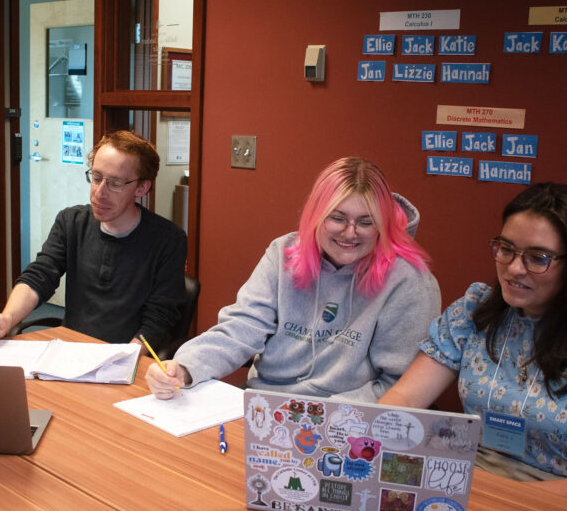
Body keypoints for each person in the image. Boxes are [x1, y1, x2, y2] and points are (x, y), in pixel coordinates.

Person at [146, 156, 440, 402]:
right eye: (337, 218)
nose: (350, 233)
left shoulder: (409, 281)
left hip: (346, 424)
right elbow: (242, 327)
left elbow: (399, 385)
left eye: (366, 222)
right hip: (264, 403)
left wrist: (316, 417)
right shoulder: (284, 252)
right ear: (315, 216)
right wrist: (185, 366)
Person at [380, 183, 567, 484]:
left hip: (551, 499)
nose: (515, 268)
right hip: (468, 477)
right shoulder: (473, 312)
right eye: (506, 249)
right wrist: (374, 442)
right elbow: (405, 396)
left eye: (538, 257)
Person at [0, 130, 187, 350]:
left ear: (142, 187)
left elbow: (159, 319)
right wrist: (7, 319)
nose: (99, 193)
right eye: (96, 178)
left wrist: (127, 357)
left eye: (115, 183)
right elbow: (40, 275)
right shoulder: (72, 222)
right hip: (73, 352)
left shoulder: (168, 240)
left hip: (128, 357)